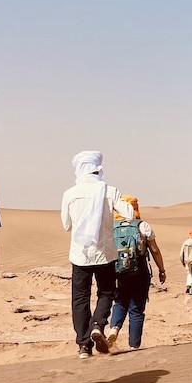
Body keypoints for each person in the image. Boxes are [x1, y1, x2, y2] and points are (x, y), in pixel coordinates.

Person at [61, 151, 133, 359]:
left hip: (80, 255)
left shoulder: (69, 194)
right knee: (106, 293)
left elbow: (66, 225)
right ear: (98, 168)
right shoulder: (109, 191)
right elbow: (128, 214)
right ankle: (98, 325)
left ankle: (84, 346)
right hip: (105, 253)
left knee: (80, 298)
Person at [105, 196, 167, 352]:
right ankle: (134, 345)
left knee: (120, 301)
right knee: (136, 308)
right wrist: (161, 270)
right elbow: (154, 250)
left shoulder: (110, 226)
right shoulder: (142, 225)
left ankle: (114, 329)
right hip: (139, 270)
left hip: (117, 270)